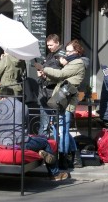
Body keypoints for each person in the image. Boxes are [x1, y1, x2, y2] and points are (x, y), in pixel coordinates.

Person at [0, 88, 69, 181]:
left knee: (34, 142)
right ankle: (54, 174)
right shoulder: (23, 106)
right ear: (13, 95)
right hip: (22, 142)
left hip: (6, 143)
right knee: (45, 142)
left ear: (2, 97)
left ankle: (39, 152)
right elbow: (26, 127)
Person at [38, 40, 88, 169]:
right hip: (61, 98)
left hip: (67, 99)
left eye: (70, 51)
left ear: (77, 51)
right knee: (58, 128)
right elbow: (61, 78)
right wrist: (45, 76)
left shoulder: (77, 62)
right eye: (67, 51)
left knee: (62, 130)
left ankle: (63, 158)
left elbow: (61, 74)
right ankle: (72, 156)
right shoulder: (72, 62)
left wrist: (44, 68)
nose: (67, 53)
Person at [36, 34, 63, 137]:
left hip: (54, 93)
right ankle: (44, 145)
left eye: (51, 45)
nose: (49, 47)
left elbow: (58, 73)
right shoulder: (50, 54)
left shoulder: (61, 55)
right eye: (48, 45)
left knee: (57, 125)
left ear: (57, 43)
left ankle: (58, 149)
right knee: (44, 123)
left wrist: (44, 73)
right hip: (45, 92)